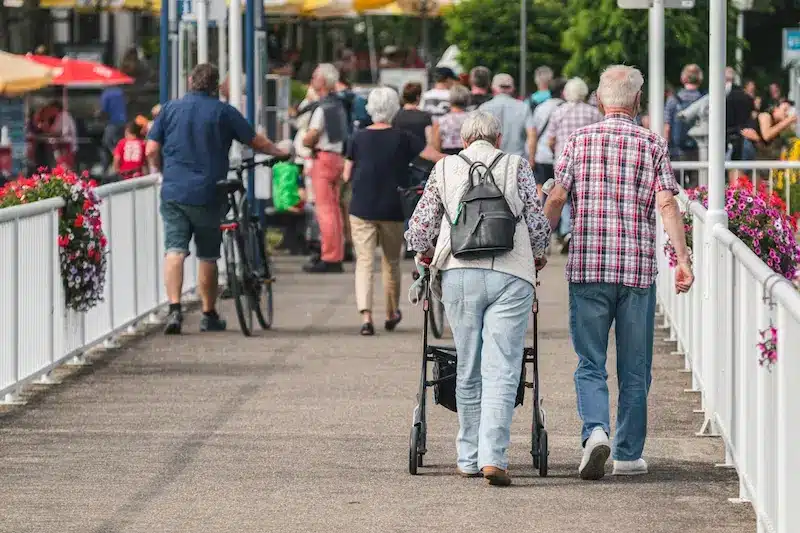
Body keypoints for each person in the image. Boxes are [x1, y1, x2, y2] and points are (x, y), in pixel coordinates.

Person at [543, 65, 694, 481]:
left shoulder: (579, 141)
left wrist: (538, 247)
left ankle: (594, 432)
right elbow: (667, 204)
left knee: (590, 360)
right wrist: (682, 258)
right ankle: (628, 455)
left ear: (599, 100)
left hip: (589, 266)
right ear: (638, 102)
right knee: (635, 365)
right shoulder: (651, 144)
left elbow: (557, 197)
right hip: (636, 271)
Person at [405, 111, 551, 486]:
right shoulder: (516, 166)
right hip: (511, 273)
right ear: (498, 139)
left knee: (467, 364)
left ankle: (467, 456)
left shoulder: (445, 168)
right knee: (502, 367)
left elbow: (421, 226)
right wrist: (538, 255)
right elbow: (536, 224)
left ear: (464, 140)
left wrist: (422, 253)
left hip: (459, 273)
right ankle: (493, 456)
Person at [145, 63, 289, 335]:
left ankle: (174, 311)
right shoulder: (223, 111)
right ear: (216, 87)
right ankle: (208, 313)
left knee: (174, 250)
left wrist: (161, 170)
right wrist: (278, 152)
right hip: (209, 192)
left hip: (174, 190)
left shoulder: (169, 109)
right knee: (208, 255)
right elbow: (255, 141)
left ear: (190, 81)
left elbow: (151, 149)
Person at [344, 87, 443, 336]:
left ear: (370, 109)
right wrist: (457, 158)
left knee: (365, 262)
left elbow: (346, 173)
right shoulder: (403, 137)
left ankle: (366, 317)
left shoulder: (357, 137)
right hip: (393, 206)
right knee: (392, 261)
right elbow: (430, 155)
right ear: (394, 109)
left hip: (361, 207)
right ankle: (390, 313)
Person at [543, 77, 603, 252]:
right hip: (589, 162)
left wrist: (555, 149)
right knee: (585, 197)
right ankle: (583, 232)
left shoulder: (559, 112)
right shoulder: (593, 113)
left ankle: (567, 231)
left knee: (564, 197)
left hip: (563, 159)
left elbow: (550, 139)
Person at [302, 63, 350, 274]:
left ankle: (329, 256)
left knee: (325, 211)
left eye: (314, 77)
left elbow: (311, 136)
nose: (311, 80)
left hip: (323, 159)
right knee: (336, 210)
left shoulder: (322, 108)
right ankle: (337, 253)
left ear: (321, 82)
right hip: (338, 158)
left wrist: (305, 140)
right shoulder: (339, 105)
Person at [479, 73, 535, 161]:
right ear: (512, 88)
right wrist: (531, 160)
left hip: (491, 161)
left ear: (493, 87)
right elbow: (532, 134)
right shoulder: (523, 107)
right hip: (517, 160)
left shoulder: (483, 108)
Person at [530, 77, 567, 198]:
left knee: (541, 187)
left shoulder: (541, 108)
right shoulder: (566, 108)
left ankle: (541, 213)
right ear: (562, 91)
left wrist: (532, 156)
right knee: (560, 190)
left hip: (542, 155)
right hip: (560, 156)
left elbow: (534, 134)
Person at [664, 64, 704, 162]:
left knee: (677, 177)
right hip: (700, 151)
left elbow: (667, 128)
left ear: (683, 78)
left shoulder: (673, 100)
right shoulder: (705, 100)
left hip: (677, 152)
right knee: (699, 177)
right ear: (700, 79)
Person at [431, 84, 470, 155]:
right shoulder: (472, 120)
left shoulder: (441, 121)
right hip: (467, 158)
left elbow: (436, 148)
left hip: (447, 158)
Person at [99, 84, 128, 170]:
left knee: (107, 144)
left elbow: (104, 111)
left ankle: (108, 169)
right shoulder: (120, 91)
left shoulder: (106, 94)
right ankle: (121, 165)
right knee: (119, 144)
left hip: (113, 123)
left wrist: (97, 114)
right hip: (123, 123)